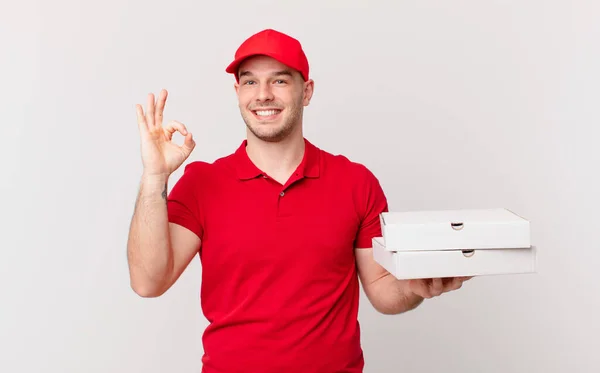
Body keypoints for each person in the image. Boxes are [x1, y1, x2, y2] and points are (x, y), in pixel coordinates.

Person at [127, 28, 472, 373]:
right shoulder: (203, 183)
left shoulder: (356, 183)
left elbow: (383, 289)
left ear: (306, 92)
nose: (263, 95)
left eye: (279, 81)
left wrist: (415, 286)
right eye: (250, 82)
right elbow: (148, 281)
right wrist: (155, 176)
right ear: (237, 92)